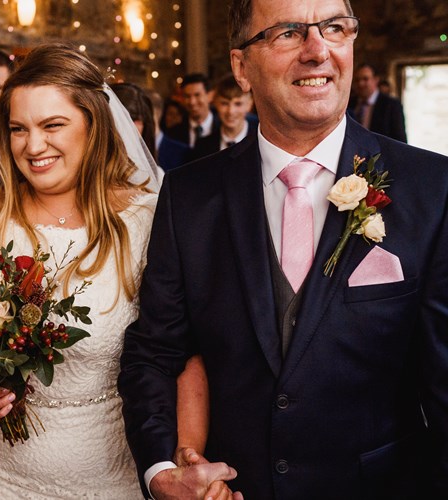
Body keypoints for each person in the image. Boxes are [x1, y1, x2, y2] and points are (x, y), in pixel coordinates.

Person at [119, 0, 448, 498]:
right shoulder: (189, 196)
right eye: (288, 32)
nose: (317, 51)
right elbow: (155, 352)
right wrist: (161, 470)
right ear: (241, 67)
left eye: (334, 28)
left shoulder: (431, 188)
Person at [0, 43, 223, 500]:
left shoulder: (148, 221)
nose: (33, 146)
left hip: (112, 475)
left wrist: (183, 459)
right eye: (18, 129)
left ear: (94, 124)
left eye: (52, 125)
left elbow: (185, 356)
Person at [192, 74, 257, 160]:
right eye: (224, 103)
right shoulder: (202, 147)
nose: (231, 111)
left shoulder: (261, 142)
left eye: (238, 104)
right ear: (215, 103)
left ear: (250, 104)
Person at [349, 62, 407, 142]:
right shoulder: (349, 103)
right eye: (357, 80)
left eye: (365, 79)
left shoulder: (391, 105)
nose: (360, 84)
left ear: (376, 80)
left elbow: (400, 140)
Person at [165, 74, 220, 148]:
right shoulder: (173, 134)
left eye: (197, 95)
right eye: (187, 96)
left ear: (210, 96)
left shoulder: (224, 127)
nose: (192, 102)